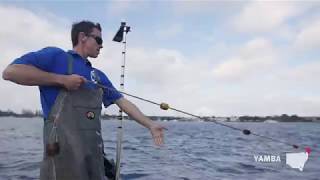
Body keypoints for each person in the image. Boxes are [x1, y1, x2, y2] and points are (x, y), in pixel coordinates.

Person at [2, 20, 165, 180]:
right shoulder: (57, 56)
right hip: (61, 152)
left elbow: (123, 103)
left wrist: (150, 125)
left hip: (92, 156)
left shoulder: (98, 75)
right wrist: (61, 79)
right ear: (82, 37)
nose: (101, 45)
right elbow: (10, 72)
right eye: (98, 40)